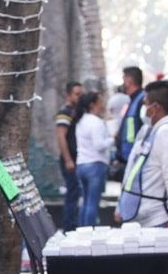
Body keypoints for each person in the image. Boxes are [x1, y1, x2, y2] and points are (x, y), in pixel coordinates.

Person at [114, 80, 168, 233]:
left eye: (145, 104)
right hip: (142, 215)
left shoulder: (167, 132)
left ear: (156, 107)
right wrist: (122, 204)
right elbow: (132, 169)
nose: (143, 109)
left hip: (158, 218)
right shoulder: (151, 130)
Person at [72, 91, 112, 227]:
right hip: (95, 164)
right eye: (100, 101)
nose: (102, 104)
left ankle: (82, 229)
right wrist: (112, 139)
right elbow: (99, 145)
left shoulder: (81, 121)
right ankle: (89, 230)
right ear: (92, 104)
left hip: (82, 164)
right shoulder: (96, 122)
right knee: (92, 203)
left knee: (85, 201)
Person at [55, 81, 84, 230]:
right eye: (77, 94)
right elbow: (61, 136)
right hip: (70, 158)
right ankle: (69, 227)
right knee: (72, 193)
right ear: (68, 95)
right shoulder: (65, 112)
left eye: (81, 94)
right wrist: (68, 160)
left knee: (75, 192)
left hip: (76, 158)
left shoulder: (76, 111)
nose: (79, 97)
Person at [115, 66, 145, 165]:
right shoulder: (133, 100)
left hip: (135, 156)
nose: (123, 83)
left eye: (123, 79)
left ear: (129, 80)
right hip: (129, 156)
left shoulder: (142, 100)